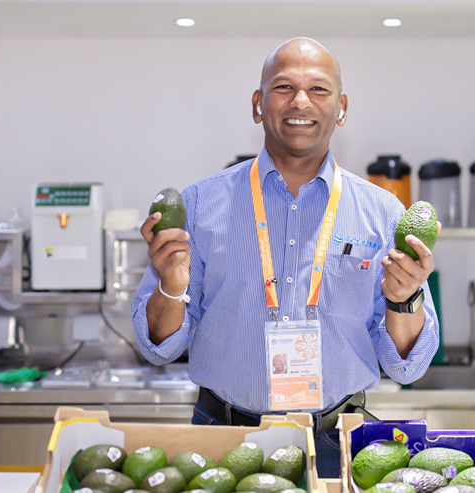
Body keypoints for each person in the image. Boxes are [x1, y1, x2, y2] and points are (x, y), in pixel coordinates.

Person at [132, 37, 440, 478]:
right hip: (222, 439)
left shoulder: (385, 212)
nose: (301, 101)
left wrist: (404, 298)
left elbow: (407, 366)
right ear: (258, 104)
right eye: (283, 88)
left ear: (341, 107)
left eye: (318, 89)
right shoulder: (200, 204)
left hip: (338, 444)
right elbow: (159, 347)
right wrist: (170, 286)